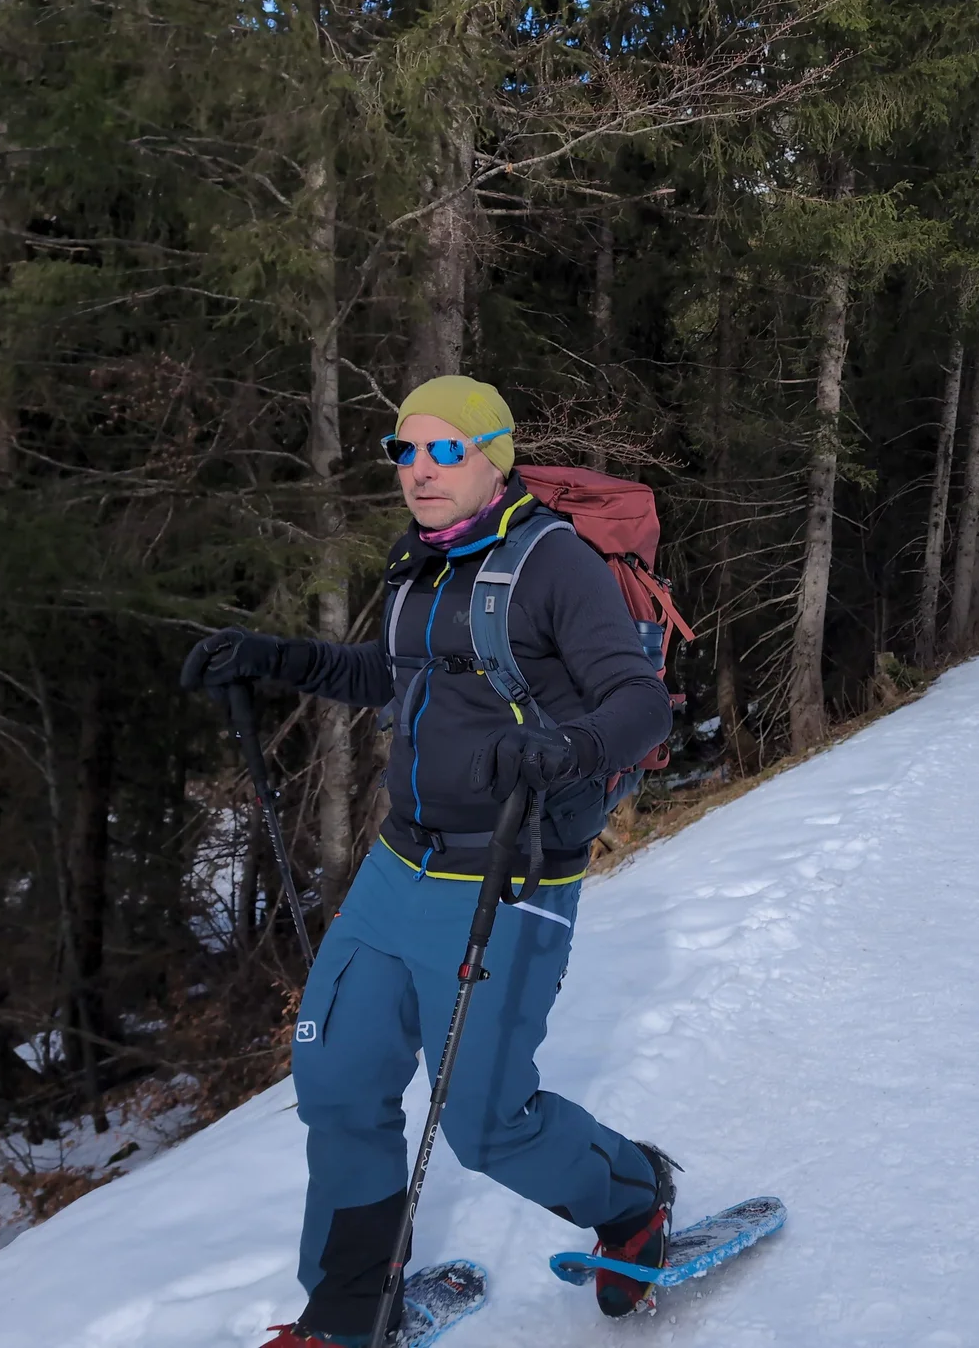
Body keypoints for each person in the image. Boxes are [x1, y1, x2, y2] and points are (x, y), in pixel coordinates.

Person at [180, 378, 678, 1345]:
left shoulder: (555, 563)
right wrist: (273, 656)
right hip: (394, 872)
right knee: (339, 1085)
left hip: (508, 878)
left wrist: (570, 748)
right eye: (402, 451)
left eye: (443, 451)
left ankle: (634, 1199)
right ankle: (347, 1311)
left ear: (496, 456)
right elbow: (395, 671)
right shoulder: (421, 564)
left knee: (486, 1122)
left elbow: (639, 703)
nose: (419, 471)